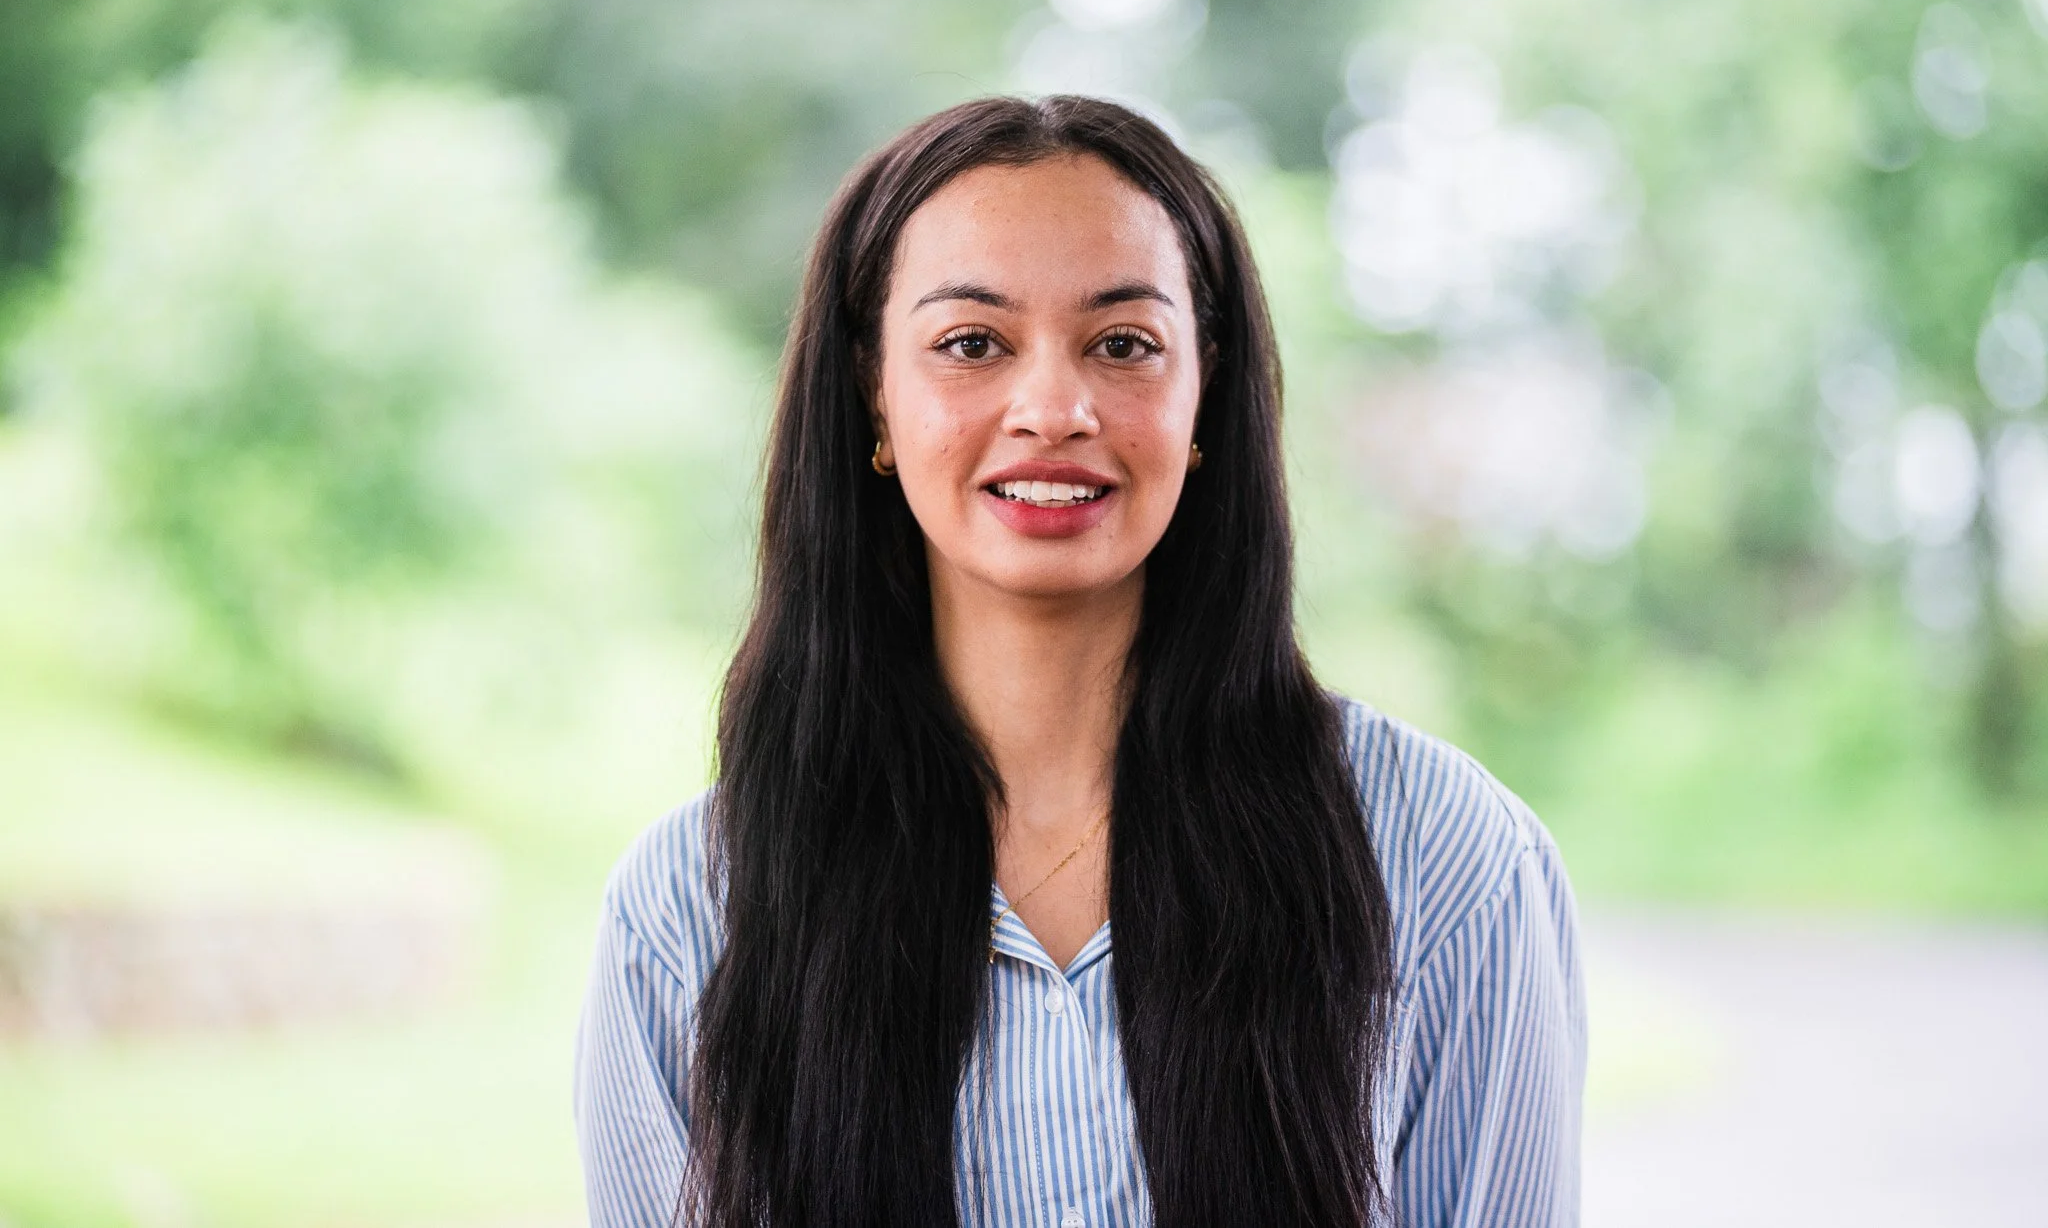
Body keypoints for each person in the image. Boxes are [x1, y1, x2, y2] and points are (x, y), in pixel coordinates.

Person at [573, 95, 1585, 1228]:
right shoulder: (686, 913)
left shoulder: (1443, 859)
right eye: (970, 344)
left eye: (1121, 344)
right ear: (873, 391)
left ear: (1205, 390)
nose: (1051, 407)